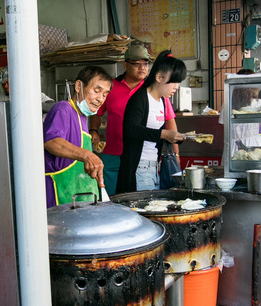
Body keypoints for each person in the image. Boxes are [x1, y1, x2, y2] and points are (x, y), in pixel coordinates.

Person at [89, 42, 174, 195]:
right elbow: (97, 111)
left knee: (134, 200)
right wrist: (93, 130)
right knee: (110, 198)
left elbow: (169, 120)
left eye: (145, 64)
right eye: (136, 64)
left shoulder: (153, 90)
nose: (142, 68)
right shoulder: (111, 86)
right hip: (113, 153)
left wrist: (176, 154)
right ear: (125, 64)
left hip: (140, 158)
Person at [117, 50, 187, 193]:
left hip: (153, 166)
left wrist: (175, 138)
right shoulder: (140, 98)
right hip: (139, 167)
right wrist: (163, 134)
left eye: (178, 82)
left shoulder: (162, 101)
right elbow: (131, 129)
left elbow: (155, 134)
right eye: (174, 81)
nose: (177, 87)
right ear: (159, 77)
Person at [43, 65, 112, 207]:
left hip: (80, 199)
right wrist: (87, 155)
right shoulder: (63, 109)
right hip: (61, 198)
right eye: (96, 91)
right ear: (79, 86)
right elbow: (52, 141)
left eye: (105, 95)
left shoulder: (82, 117)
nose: (100, 99)